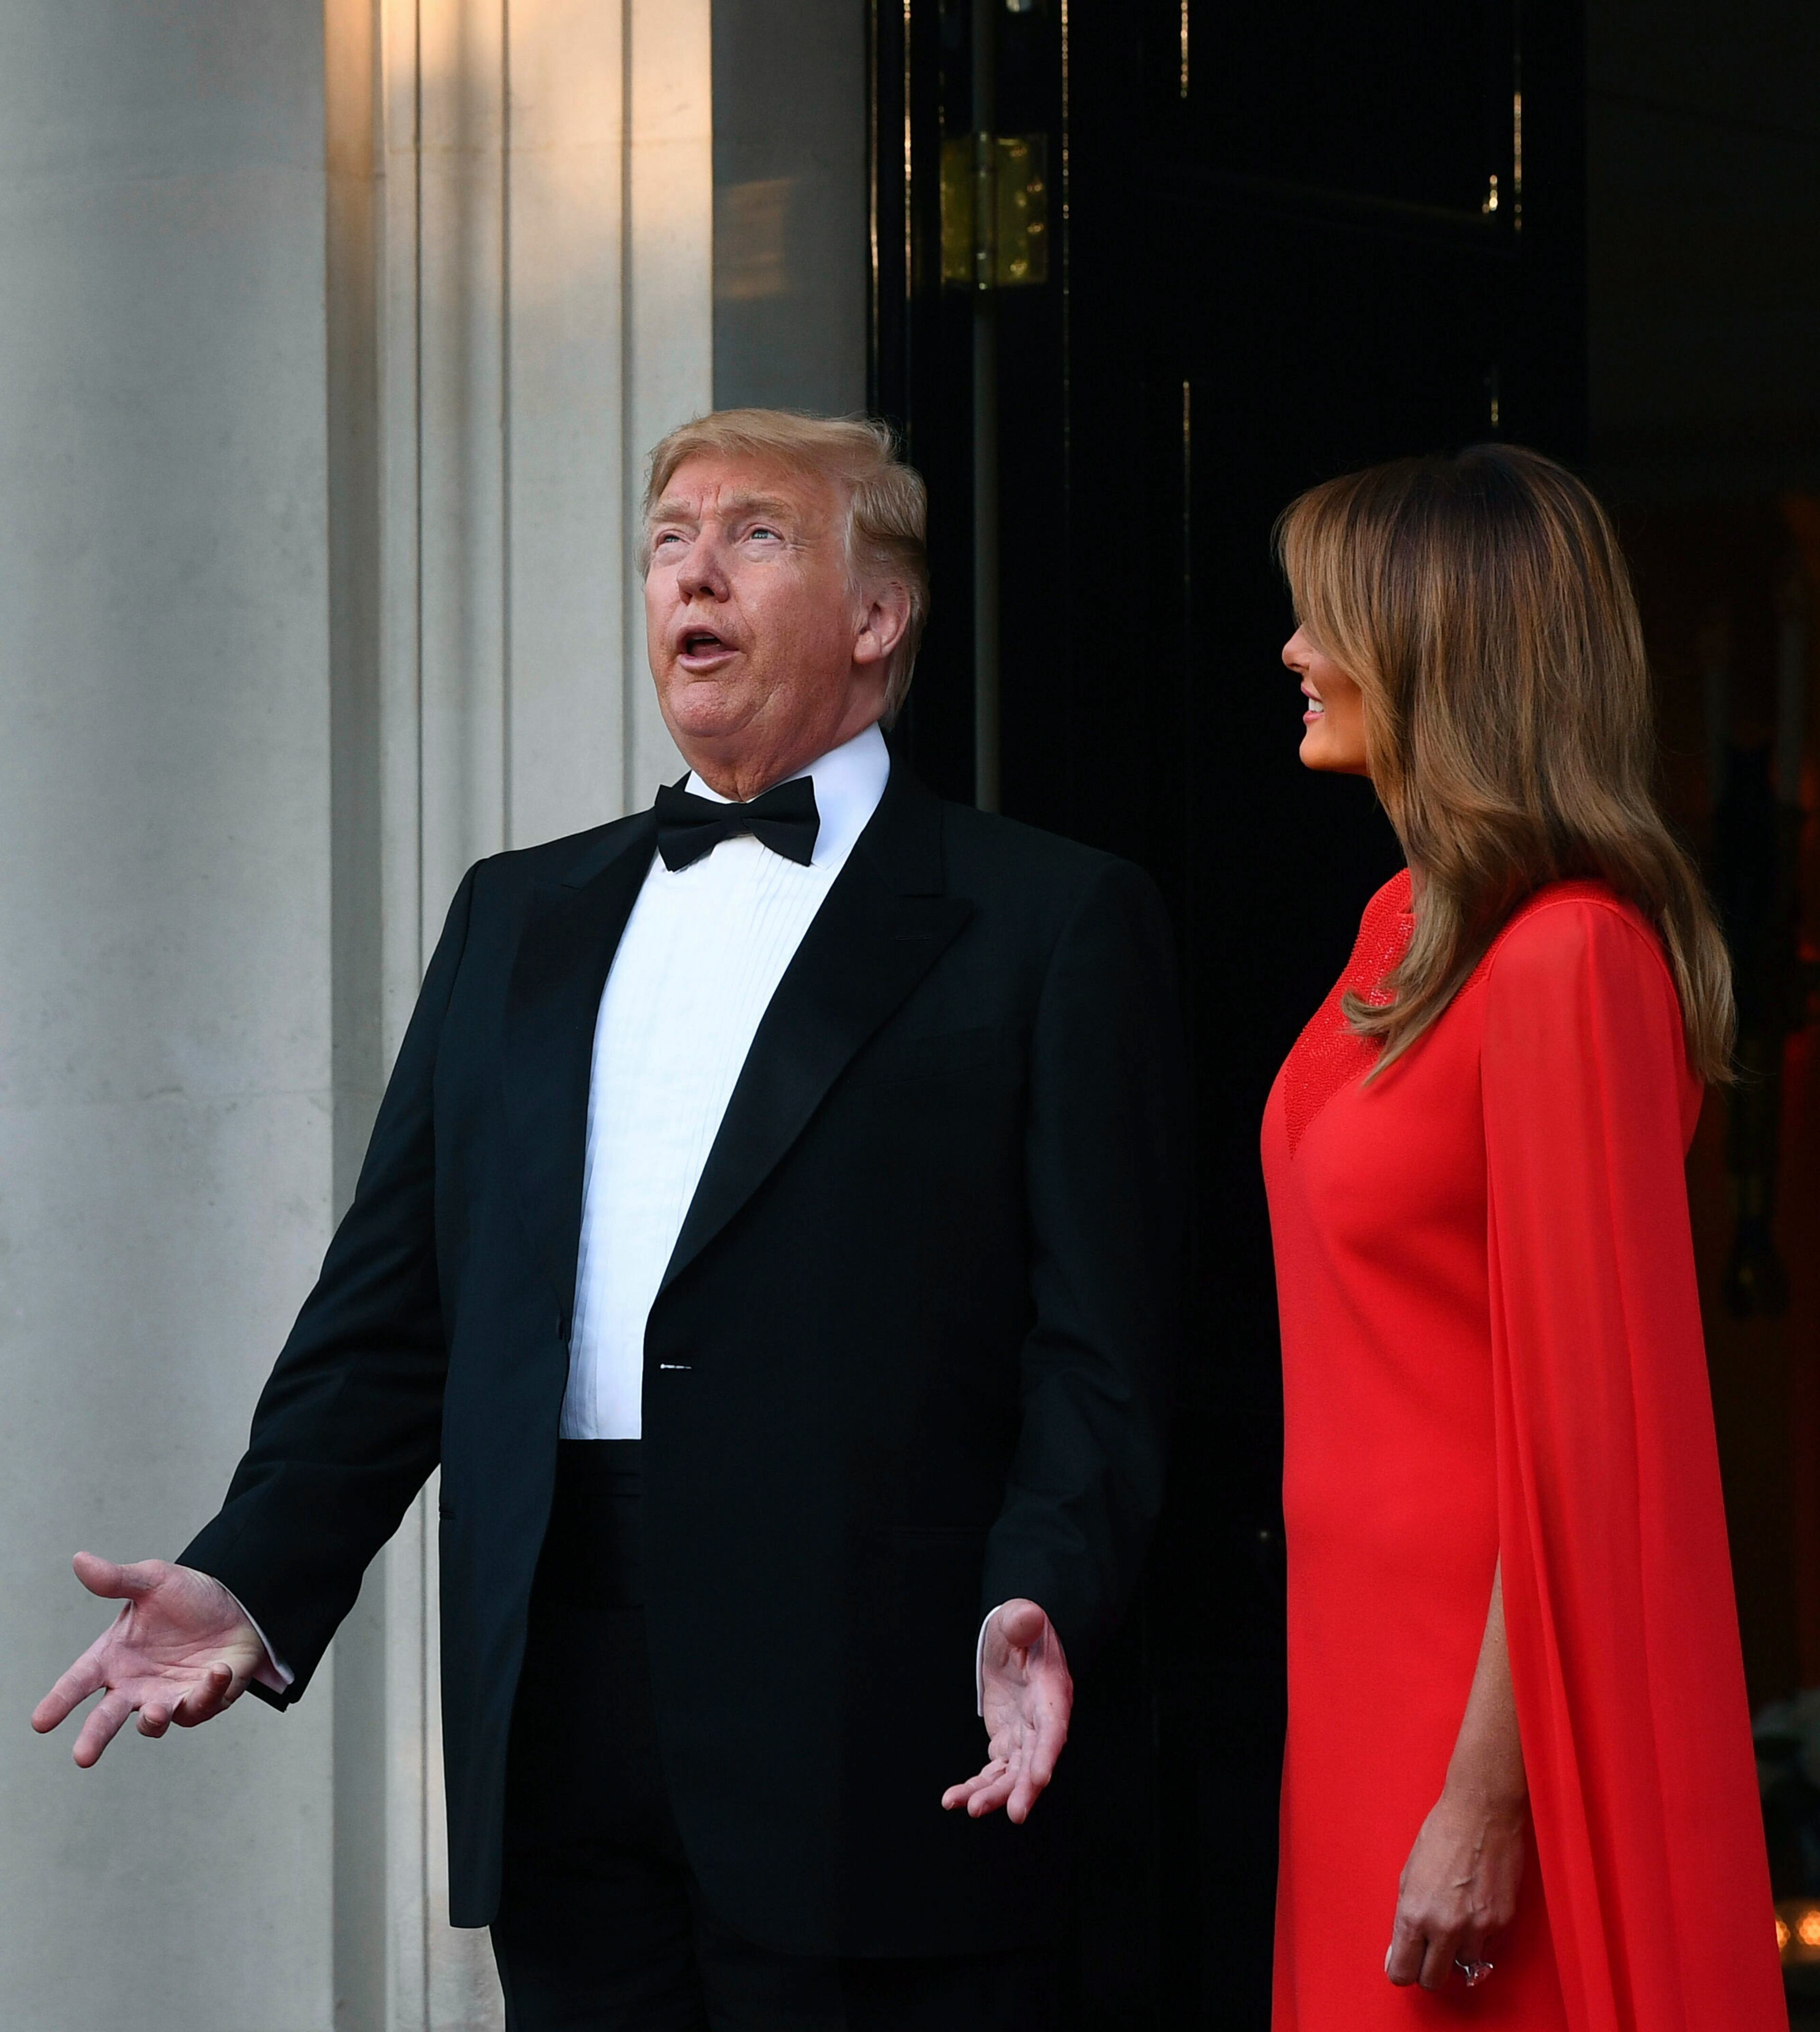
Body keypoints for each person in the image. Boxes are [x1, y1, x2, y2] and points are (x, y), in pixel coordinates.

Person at [32, 410, 1184, 2030]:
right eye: (668, 541)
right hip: (564, 1718)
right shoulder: (518, 915)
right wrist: (260, 1572)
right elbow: (392, 1314)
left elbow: (1104, 1349)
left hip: (884, 1719)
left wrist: (1043, 1588)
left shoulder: (1053, 922)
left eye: (758, 535)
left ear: (879, 616)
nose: (693, 572)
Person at [1265, 444, 1784, 2028]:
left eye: (1326, 620)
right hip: (1360, 1664)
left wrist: (1491, 1797)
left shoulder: (1570, 957)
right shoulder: (1405, 929)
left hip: (1486, 1704)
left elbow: (1587, 1433)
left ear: (1443, 648)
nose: (1293, 653)